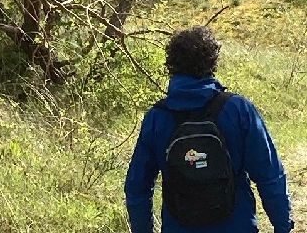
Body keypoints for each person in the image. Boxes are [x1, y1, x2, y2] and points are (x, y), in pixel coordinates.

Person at [125, 27, 293, 233]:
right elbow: (270, 175)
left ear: (171, 65)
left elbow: (137, 188)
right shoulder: (239, 110)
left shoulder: (157, 118)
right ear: (212, 62)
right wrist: (283, 225)